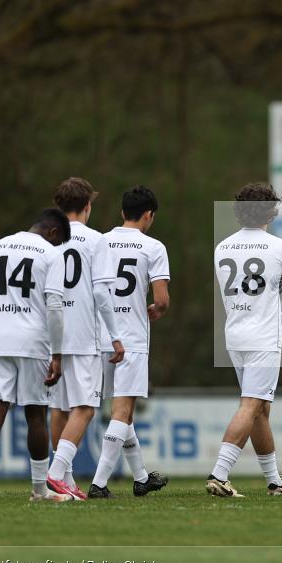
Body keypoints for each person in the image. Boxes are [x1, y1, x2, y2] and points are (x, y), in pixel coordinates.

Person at [206, 183, 282, 498]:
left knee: (260, 408)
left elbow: (251, 300)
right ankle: (219, 474)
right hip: (263, 339)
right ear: (271, 212)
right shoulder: (280, 247)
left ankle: (274, 481)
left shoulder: (222, 247)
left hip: (235, 335)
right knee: (251, 404)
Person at [0, 208, 73, 503]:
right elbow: (55, 306)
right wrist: (57, 352)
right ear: (53, 233)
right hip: (33, 342)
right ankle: (40, 490)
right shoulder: (51, 254)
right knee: (36, 414)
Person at [88, 186, 171, 499]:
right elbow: (161, 299)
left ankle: (140, 478)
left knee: (124, 412)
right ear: (148, 215)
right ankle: (98, 484)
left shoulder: (100, 241)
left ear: (123, 212)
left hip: (102, 336)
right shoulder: (153, 247)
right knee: (122, 412)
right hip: (132, 339)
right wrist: (155, 309)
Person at [46, 178, 125, 500]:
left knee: (58, 408)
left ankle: (62, 484)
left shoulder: (46, 238)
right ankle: (55, 474)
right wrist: (116, 337)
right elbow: (101, 294)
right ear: (88, 206)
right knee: (85, 408)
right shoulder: (96, 240)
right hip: (83, 335)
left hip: (51, 335)